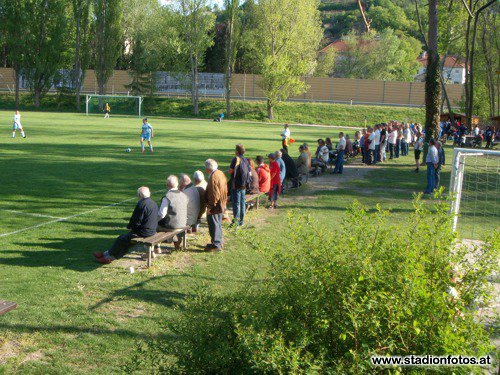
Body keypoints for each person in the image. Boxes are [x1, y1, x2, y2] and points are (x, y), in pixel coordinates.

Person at [93, 187, 158, 264]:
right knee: (125, 239)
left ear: (139, 195)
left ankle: (108, 257)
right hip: (152, 230)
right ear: (149, 193)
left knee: (122, 240)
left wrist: (130, 228)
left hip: (144, 232)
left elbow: (136, 221)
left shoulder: (141, 204)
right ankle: (105, 254)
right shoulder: (153, 203)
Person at [157, 175, 188, 252]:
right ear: (177, 184)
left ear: (167, 185)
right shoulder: (184, 195)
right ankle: (176, 242)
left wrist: (155, 220)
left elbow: (161, 214)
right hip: (183, 223)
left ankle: (156, 247)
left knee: (154, 226)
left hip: (172, 225)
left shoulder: (167, 197)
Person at [205, 159, 228, 251]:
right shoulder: (220, 173)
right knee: (217, 223)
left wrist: (210, 207)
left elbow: (214, 194)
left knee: (213, 224)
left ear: (207, 169)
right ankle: (218, 242)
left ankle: (216, 244)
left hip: (215, 205)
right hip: (221, 203)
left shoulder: (214, 176)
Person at [229, 144, 251, 227]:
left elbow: (231, 171)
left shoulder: (235, 159)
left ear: (237, 151)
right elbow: (249, 172)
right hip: (244, 185)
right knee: (242, 203)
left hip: (236, 185)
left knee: (236, 204)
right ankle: (241, 221)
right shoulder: (245, 159)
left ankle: (236, 223)